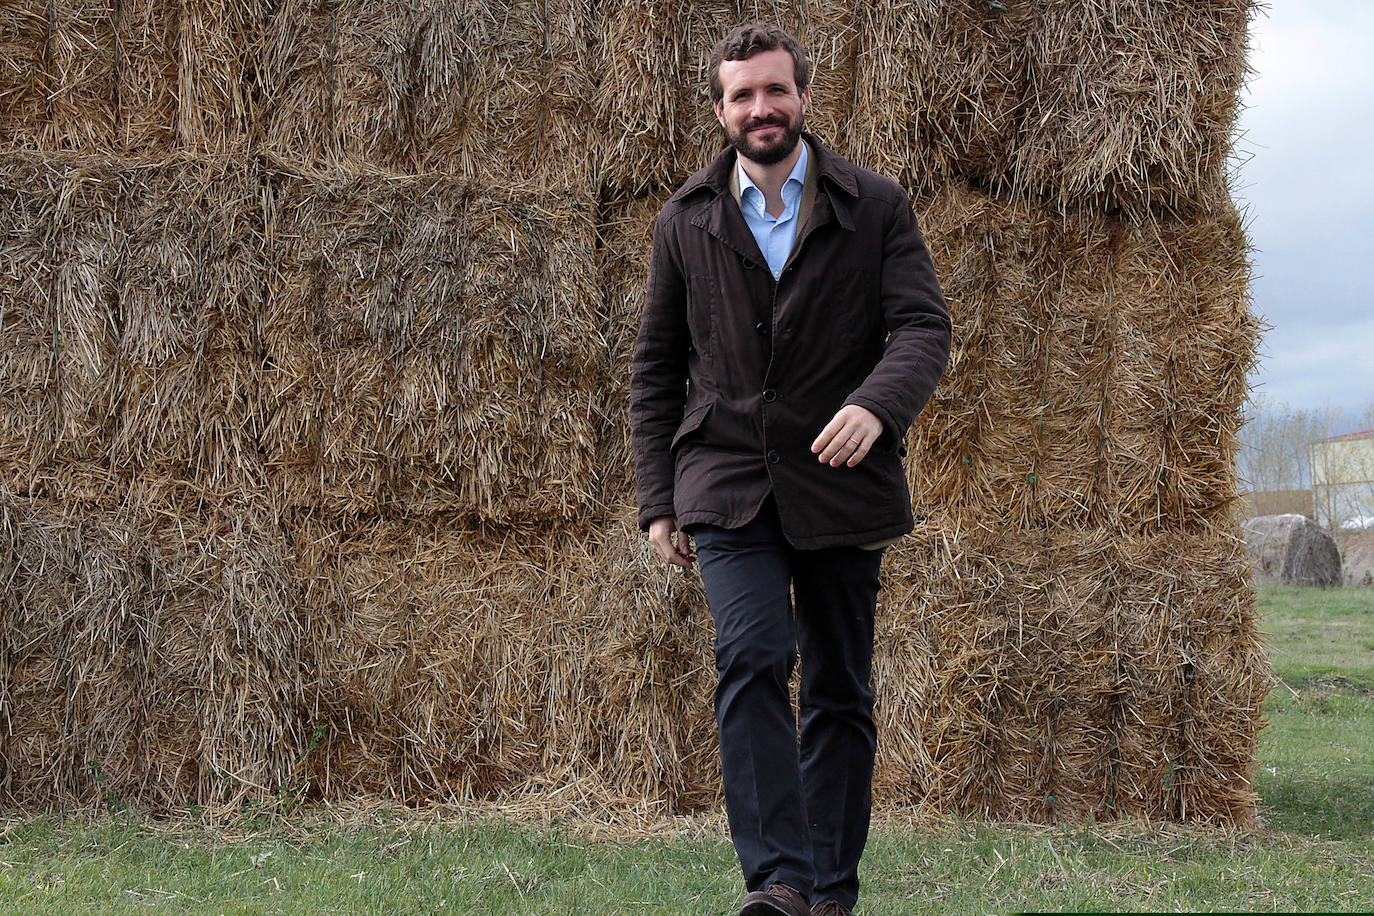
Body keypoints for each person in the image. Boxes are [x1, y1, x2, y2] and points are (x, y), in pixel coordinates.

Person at [629, 22, 951, 916]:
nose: (760, 109)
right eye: (742, 95)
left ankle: (831, 893)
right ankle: (779, 881)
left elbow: (925, 326)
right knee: (753, 652)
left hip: (842, 481)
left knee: (842, 686)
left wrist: (878, 403)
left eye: (775, 91)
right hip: (726, 480)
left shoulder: (874, 206)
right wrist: (660, 499)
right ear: (722, 110)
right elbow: (656, 365)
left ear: (803, 97)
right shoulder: (686, 219)